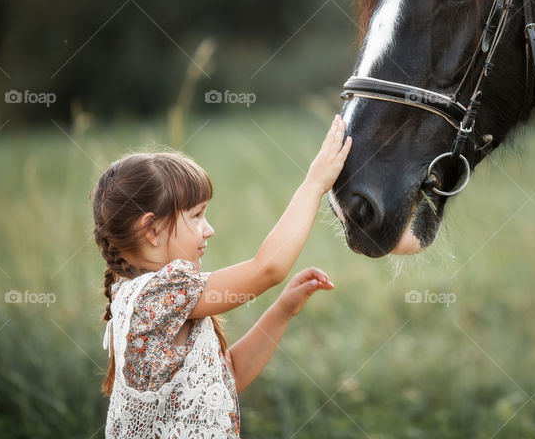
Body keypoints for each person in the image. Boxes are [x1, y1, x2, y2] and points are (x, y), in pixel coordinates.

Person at [91, 115, 351, 437]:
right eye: (196, 215)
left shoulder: (154, 298)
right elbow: (267, 268)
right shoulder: (155, 295)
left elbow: (231, 376)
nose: (209, 229)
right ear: (152, 229)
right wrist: (314, 185)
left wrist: (282, 311)